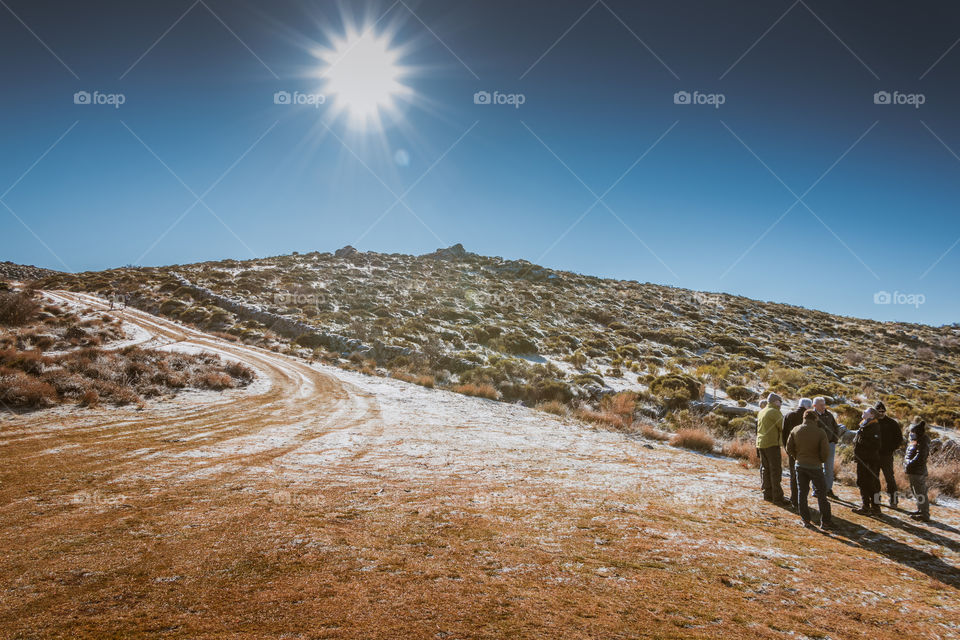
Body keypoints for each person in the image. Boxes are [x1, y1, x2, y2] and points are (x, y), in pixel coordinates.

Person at [786, 410, 833, 529]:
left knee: (802, 493)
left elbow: (789, 447)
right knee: (822, 494)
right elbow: (825, 452)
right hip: (815, 467)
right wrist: (820, 460)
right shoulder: (820, 432)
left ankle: (806, 520)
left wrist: (797, 457)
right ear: (815, 419)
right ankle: (826, 522)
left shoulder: (796, 430)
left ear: (804, 418)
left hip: (800, 465)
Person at [757, 393, 788, 506]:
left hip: (761, 443)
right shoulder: (774, 412)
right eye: (780, 401)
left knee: (765, 469)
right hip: (772, 444)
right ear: (775, 401)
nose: (781, 404)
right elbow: (783, 427)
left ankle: (767, 494)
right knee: (775, 470)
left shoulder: (762, 411)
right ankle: (778, 497)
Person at [851, 407, 883, 515]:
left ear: (872, 415)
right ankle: (868, 506)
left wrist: (862, 442)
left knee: (870, 483)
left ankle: (872, 507)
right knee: (863, 482)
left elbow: (876, 445)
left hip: (869, 460)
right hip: (862, 459)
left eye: (866, 411)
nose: (863, 412)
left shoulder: (874, 426)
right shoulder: (864, 425)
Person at [782, 398, 813, 508]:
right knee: (804, 477)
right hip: (805, 452)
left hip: (791, 451)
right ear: (808, 407)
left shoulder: (789, 415)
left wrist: (787, 449)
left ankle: (794, 499)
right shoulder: (809, 417)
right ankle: (801, 500)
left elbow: (784, 433)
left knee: (793, 476)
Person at [875, 401, 904, 508]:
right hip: (874, 456)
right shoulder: (873, 422)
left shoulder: (892, 423)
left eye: (883, 411)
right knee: (874, 478)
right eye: (879, 411)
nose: (881, 413)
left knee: (890, 479)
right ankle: (876, 500)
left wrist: (891, 449)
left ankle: (894, 501)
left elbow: (899, 439)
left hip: (887, 456)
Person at [812, 397, 842, 499]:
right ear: (814, 406)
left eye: (824, 404)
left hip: (830, 445)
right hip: (816, 446)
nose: (823, 407)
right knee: (816, 468)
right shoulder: (811, 415)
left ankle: (828, 489)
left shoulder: (829, 415)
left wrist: (834, 440)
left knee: (828, 469)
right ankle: (816, 490)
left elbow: (835, 427)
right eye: (821, 405)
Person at [904, 416, 931, 522]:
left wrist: (909, 463)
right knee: (916, 492)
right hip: (913, 471)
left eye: (912, 432)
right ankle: (920, 510)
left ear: (917, 432)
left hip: (917, 472)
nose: (911, 433)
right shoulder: (916, 441)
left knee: (920, 492)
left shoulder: (923, 442)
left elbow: (920, 457)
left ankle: (924, 514)